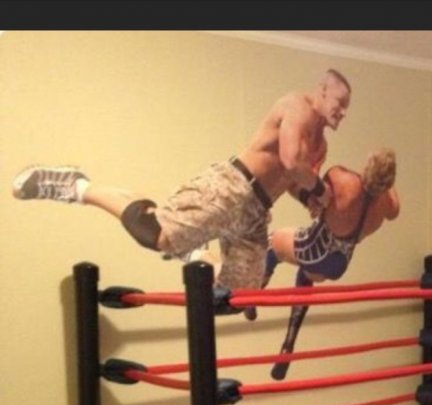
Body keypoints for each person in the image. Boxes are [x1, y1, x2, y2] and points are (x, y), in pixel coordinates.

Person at [11, 69, 352, 290]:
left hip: (257, 211)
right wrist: (320, 190)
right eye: (340, 102)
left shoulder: (321, 144)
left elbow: (291, 179)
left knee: (238, 295)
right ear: (322, 90)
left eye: (346, 107)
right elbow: (292, 161)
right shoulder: (297, 106)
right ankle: (77, 187)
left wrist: (308, 198)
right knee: (157, 235)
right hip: (233, 187)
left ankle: (196, 254)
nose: (343, 112)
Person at [246, 147, 400, 379]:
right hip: (339, 264)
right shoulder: (386, 205)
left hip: (317, 250)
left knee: (272, 243)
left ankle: (253, 296)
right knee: (306, 275)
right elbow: (395, 210)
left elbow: (312, 190)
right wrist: (388, 183)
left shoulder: (343, 181)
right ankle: (288, 343)